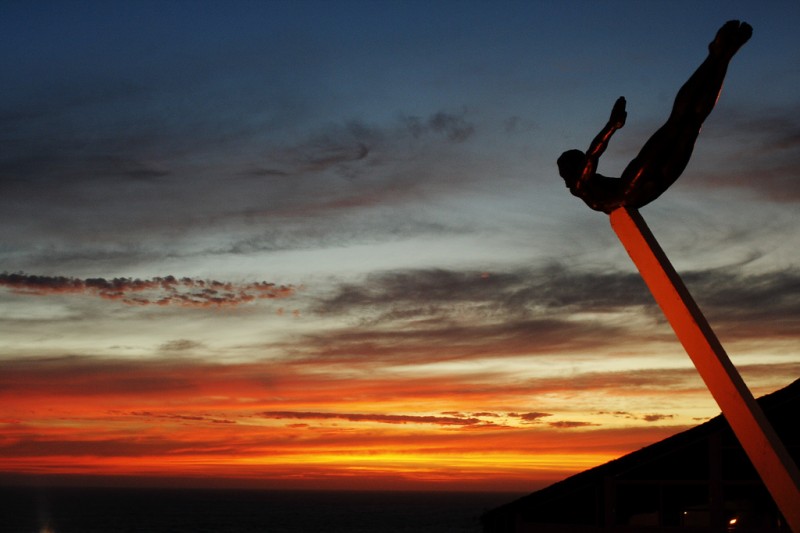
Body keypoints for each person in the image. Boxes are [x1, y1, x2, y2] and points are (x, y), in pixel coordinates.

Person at [558, 20, 752, 213]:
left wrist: (612, 126)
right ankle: (720, 57)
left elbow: (592, 156)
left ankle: (721, 56)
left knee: (686, 124)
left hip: (638, 190)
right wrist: (611, 126)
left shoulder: (587, 186)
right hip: (637, 189)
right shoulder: (580, 186)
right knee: (686, 124)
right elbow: (592, 155)